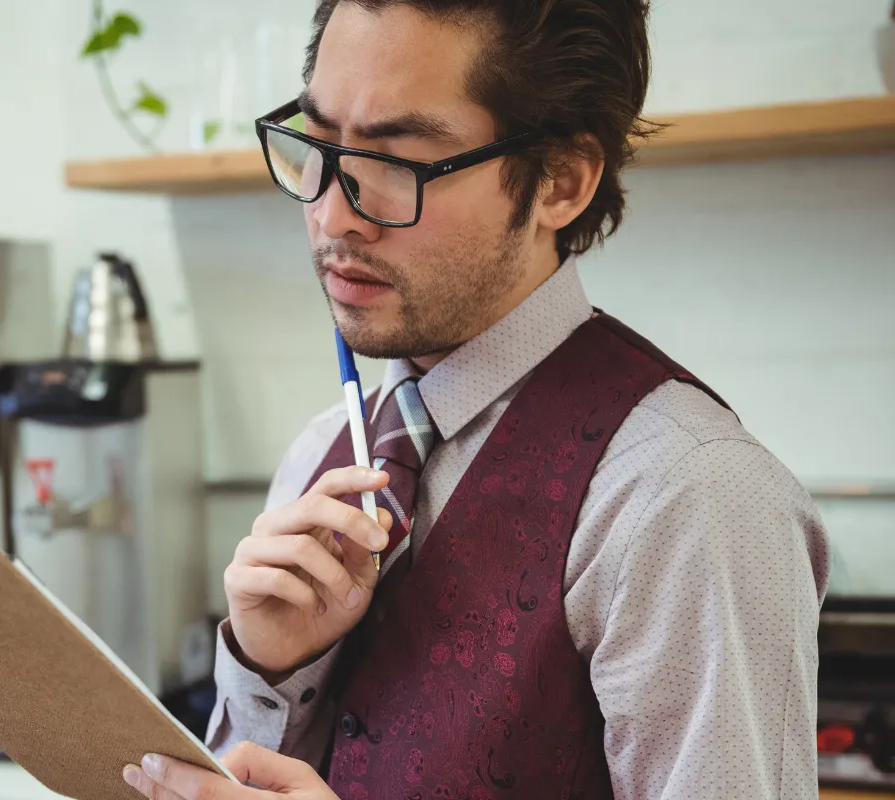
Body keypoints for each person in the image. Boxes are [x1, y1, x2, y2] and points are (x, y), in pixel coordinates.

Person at [124, 0, 830, 798]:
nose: (330, 217)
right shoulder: (320, 452)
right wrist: (272, 669)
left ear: (561, 182)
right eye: (317, 145)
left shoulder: (690, 497)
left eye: (397, 164)